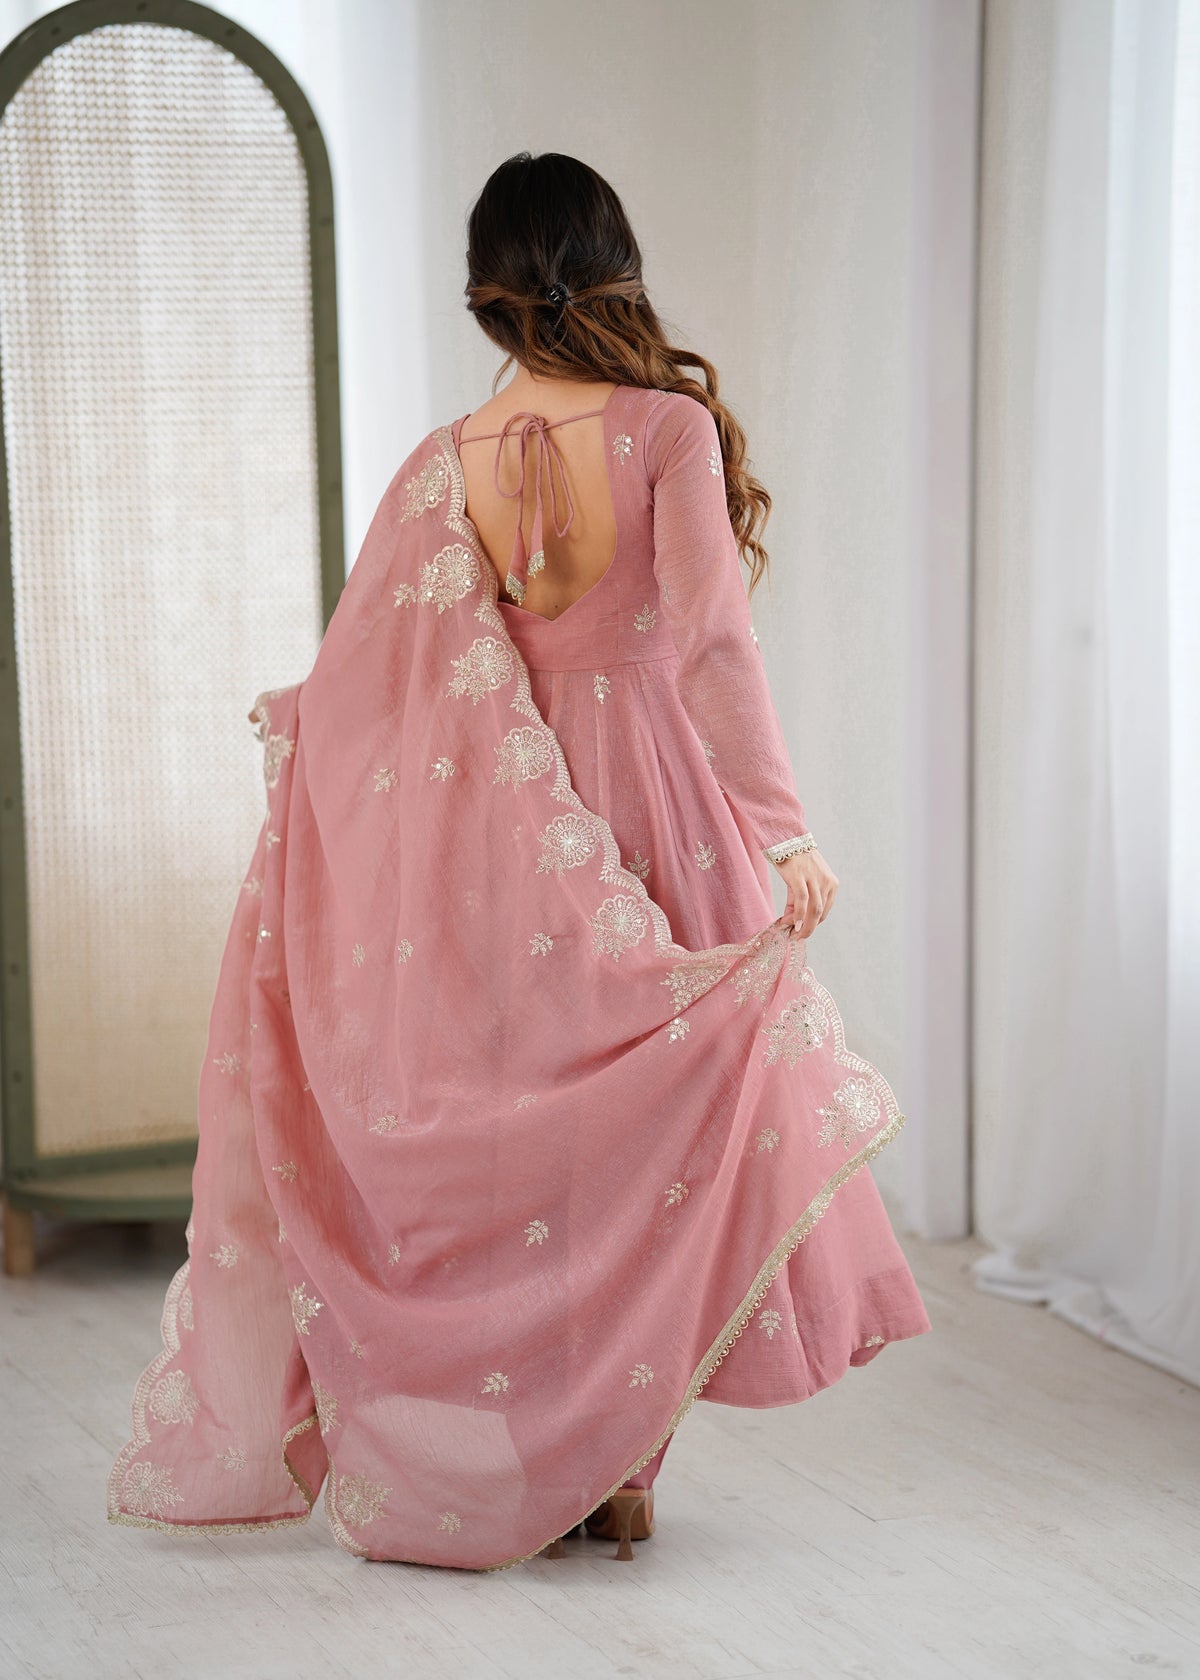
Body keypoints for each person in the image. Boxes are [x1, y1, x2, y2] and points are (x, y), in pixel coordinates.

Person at [108, 151, 930, 1573]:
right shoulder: (665, 431)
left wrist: (310, 737)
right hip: (652, 804)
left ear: (488, 296)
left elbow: (375, 659)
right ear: (614, 270)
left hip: (499, 824)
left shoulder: (450, 457)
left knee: (534, 1134)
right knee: (654, 1130)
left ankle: (542, 1452)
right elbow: (712, 647)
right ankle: (619, 1470)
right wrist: (782, 830)